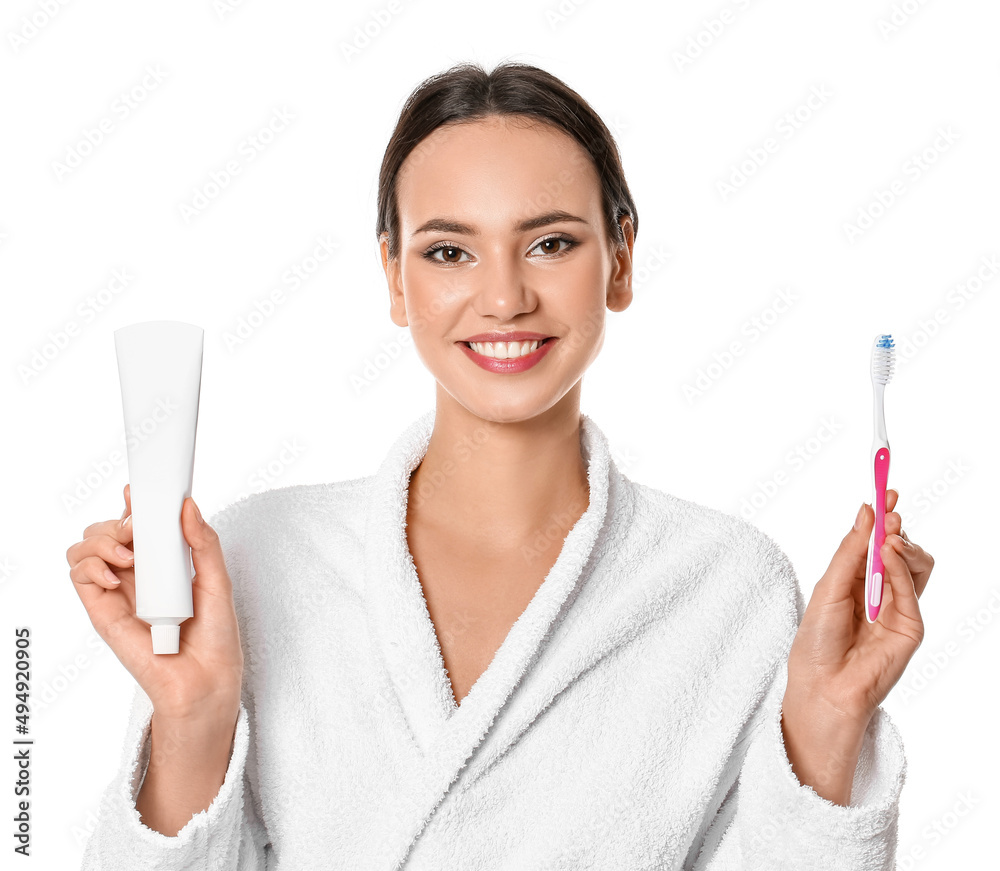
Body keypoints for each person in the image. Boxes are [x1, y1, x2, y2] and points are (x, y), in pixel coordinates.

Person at [68, 60, 934, 869]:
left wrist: (828, 725)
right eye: (449, 251)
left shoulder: (726, 586)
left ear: (621, 257)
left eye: (551, 243)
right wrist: (190, 717)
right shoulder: (261, 556)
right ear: (395, 278)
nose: (505, 296)